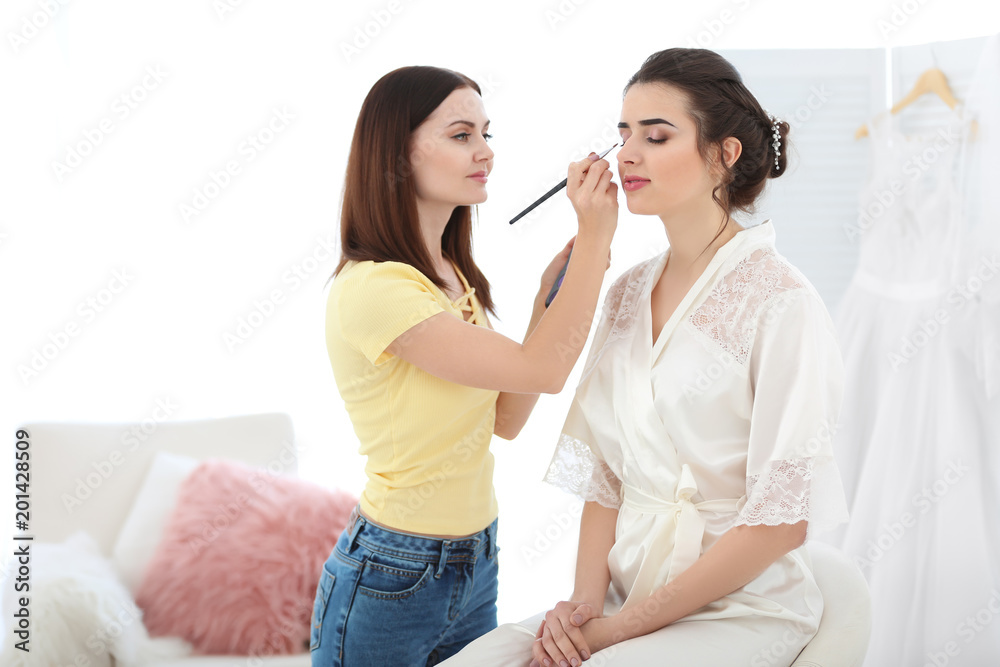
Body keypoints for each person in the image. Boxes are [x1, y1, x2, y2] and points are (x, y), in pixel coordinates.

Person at [439, 48, 851, 667]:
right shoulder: (628, 291)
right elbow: (606, 475)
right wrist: (583, 610)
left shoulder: (782, 302)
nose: (626, 154)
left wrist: (615, 633)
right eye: (623, 134)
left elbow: (781, 521)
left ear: (724, 153)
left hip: (741, 607)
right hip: (622, 597)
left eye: (655, 137)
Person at [310, 65, 618, 667]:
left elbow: (506, 418)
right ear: (397, 153)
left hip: (474, 560)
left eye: (486, 133)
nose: (485, 152)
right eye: (461, 135)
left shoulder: (450, 279)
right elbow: (544, 370)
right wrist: (595, 237)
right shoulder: (377, 289)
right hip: (393, 571)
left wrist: (545, 301)